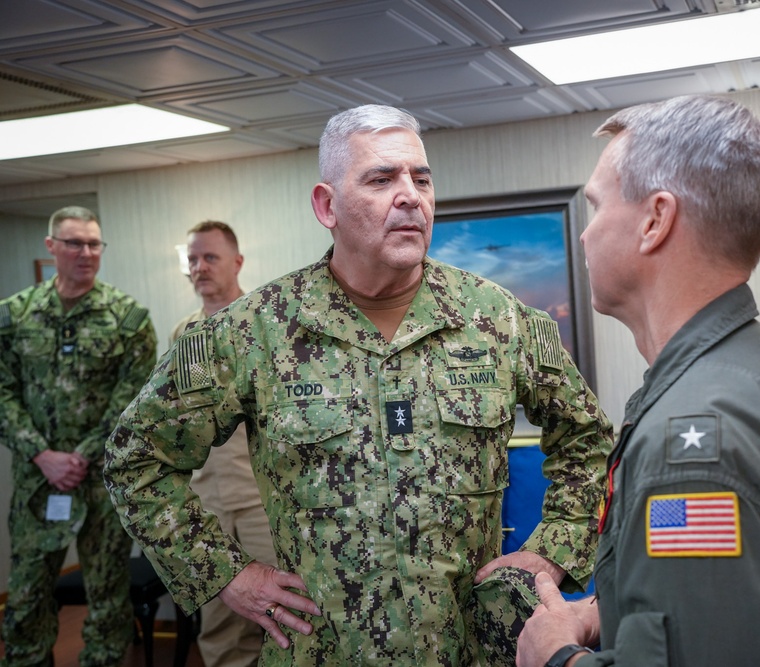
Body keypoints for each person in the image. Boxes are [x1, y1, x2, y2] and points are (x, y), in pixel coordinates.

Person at [104, 104, 614, 666]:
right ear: (327, 206)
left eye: (421, 179)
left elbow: (587, 437)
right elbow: (136, 459)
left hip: (469, 649)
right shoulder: (250, 333)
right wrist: (226, 574)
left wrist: (554, 548)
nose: (410, 196)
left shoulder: (500, 319)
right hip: (327, 650)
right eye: (381, 178)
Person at [516, 95, 760, 667]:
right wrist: (606, 612)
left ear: (655, 220)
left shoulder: (692, 441)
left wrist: (555, 657)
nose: (584, 235)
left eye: (596, 207)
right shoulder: (758, 362)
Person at [0, 206, 158, 666]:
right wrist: (41, 455)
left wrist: (79, 458)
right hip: (36, 484)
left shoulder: (129, 319)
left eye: (94, 243)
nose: (86, 252)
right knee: (26, 599)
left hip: (101, 484)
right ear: (51, 247)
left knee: (109, 601)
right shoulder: (13, 316)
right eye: (74, 243)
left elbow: (131, 404)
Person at [170, 221, 277, 667]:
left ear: (237, 262)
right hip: (208, 500)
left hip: (262, 500)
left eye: (210, 257)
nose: (199, 267)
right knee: (219, 625)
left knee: (282, 615)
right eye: (192, 259)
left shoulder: (265, 323)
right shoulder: (184, 335)